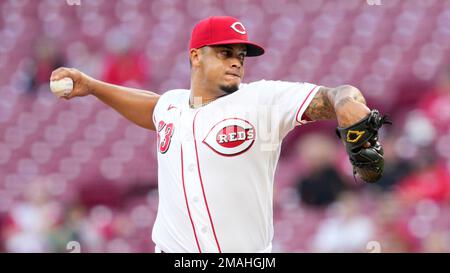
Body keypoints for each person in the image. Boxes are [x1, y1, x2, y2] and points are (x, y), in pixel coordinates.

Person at [50, 16, 375, 253]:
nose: (236, 62)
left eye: (240, 56)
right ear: (195, 56)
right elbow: (153, 109)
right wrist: (92, 86)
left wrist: (345, 99)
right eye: (225, 52)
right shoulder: (172, 106)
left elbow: (333, 96)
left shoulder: (262, 100)